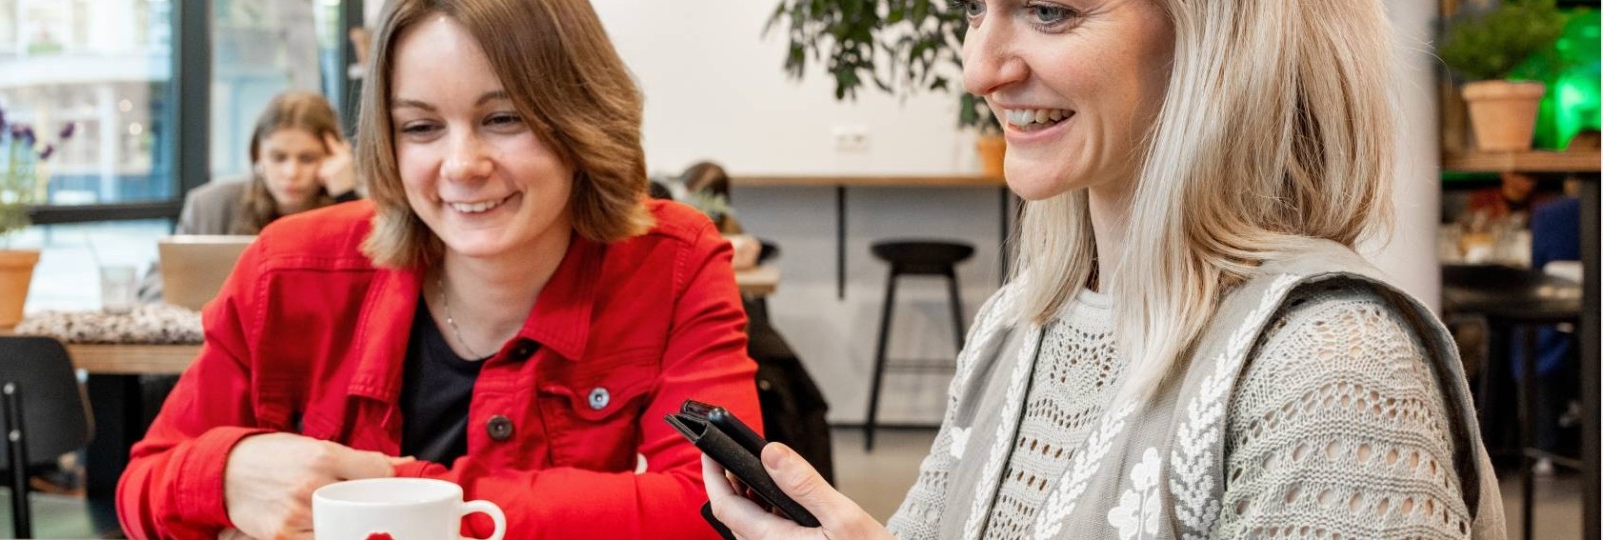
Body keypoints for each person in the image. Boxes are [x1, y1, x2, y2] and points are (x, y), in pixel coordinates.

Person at [706, 0, 1504, 538]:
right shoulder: (1016, 327)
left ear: (1221, 33)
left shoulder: (1331, 368)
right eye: (974, 8)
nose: (979, 69)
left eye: (1049, 10)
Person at [117, 0, 762, 538]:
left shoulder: (673, 261)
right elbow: (142, 486)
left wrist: (400, 495)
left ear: (581, 118)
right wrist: (226, 474)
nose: (461, 165)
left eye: (504, 118)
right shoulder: (286, 270)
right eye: (421, 126)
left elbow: (714, 508)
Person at [137, 91, 359, 304]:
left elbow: (374, 288)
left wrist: (347, 197)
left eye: (307, 158)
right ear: (257, 155)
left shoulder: (353, 208)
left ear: (333, 157)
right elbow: (155, 287)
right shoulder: (212, 205)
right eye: (278, 157)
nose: (291, 173)